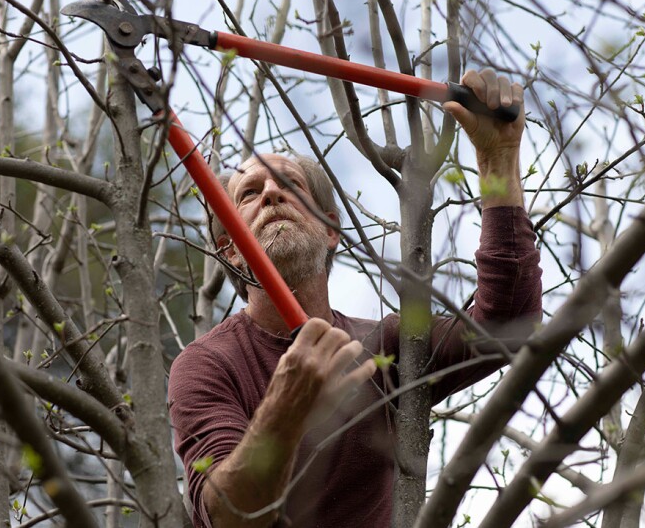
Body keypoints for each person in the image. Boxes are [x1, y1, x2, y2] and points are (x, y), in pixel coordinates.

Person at [168, 69, 542, 527]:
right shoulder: (207, 364)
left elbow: (508, 323)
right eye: (249, 192)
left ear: (330, 231)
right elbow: (226, 517)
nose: (270, 193)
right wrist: (287, 403)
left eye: (289, 186)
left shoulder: (383, 345)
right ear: (229, 247)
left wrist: (498, 159)